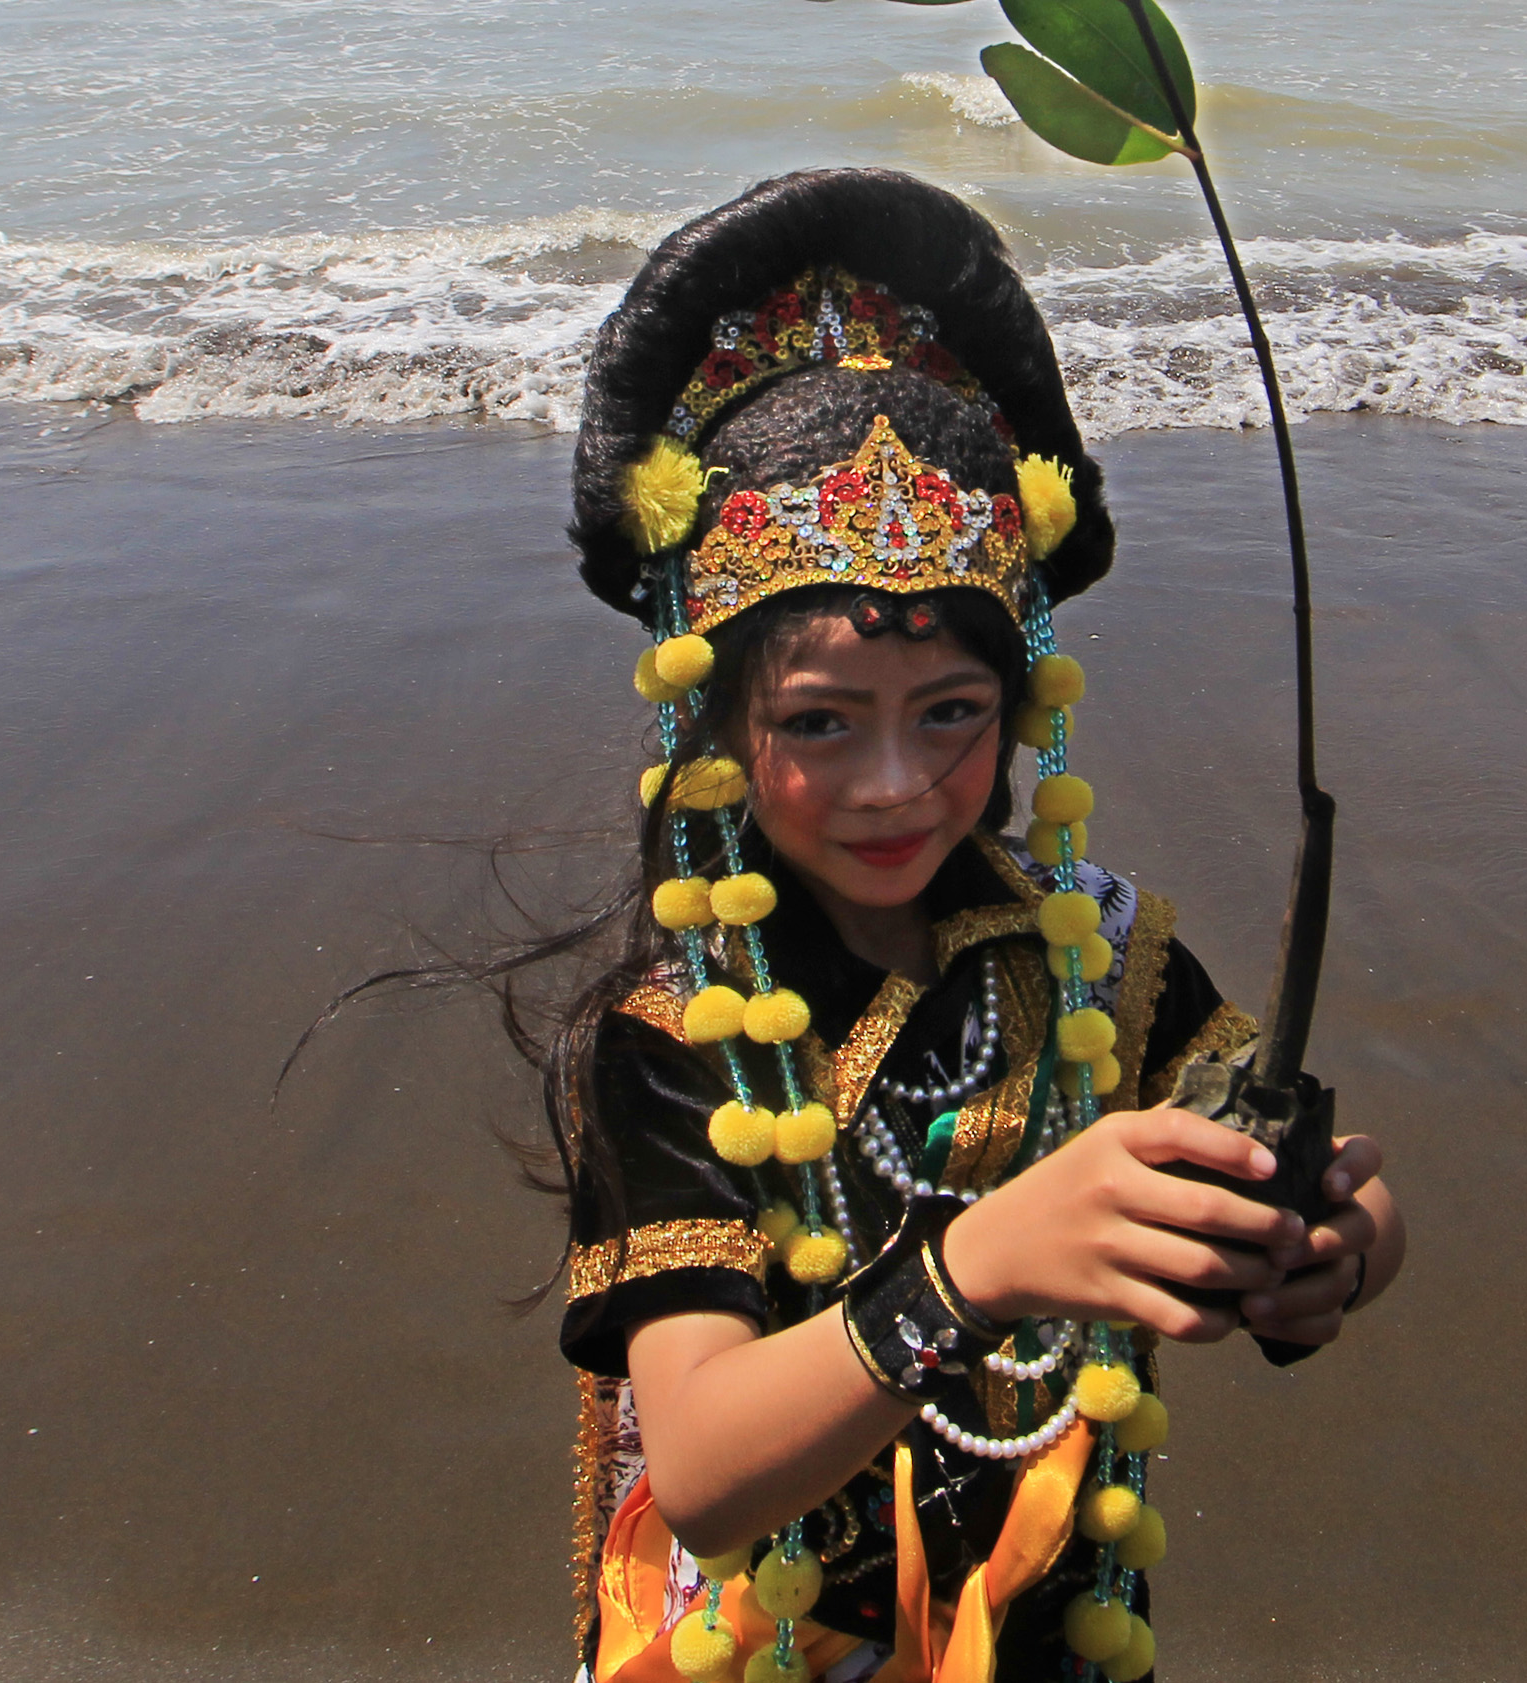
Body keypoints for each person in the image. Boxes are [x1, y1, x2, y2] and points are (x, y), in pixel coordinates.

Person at [539, 168, 1408, 1683]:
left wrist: (1329, 1249)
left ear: (1024, 711)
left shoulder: (1102, 959)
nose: (895, 785)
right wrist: (978, 1265)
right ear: (724, 725)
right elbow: (705, 1465)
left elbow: (1286, 1185)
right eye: (822, 722)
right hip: (769, 1645)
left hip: (1047, 1618)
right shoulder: (680, 1036)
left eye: (953, 714)